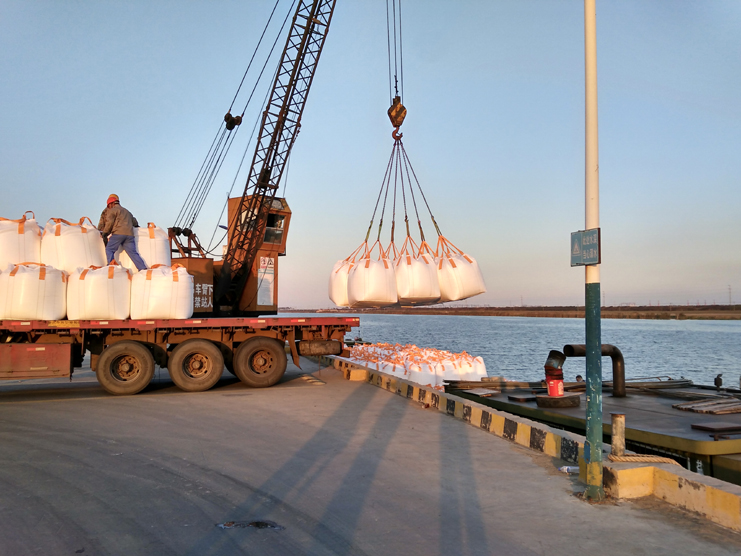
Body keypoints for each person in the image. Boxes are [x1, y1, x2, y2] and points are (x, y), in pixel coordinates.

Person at [98, 194, 147, 271]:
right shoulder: (127, 211)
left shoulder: (112, 211)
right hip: (130, 235)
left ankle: (111, 266)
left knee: (109, 249)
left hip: (118, 234)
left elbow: (109, 223)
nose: (109, 207)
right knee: (133, 253)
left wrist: (105, 233)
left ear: (111, 204)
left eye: (109, 206)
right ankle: (143, 268)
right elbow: (135, 222)